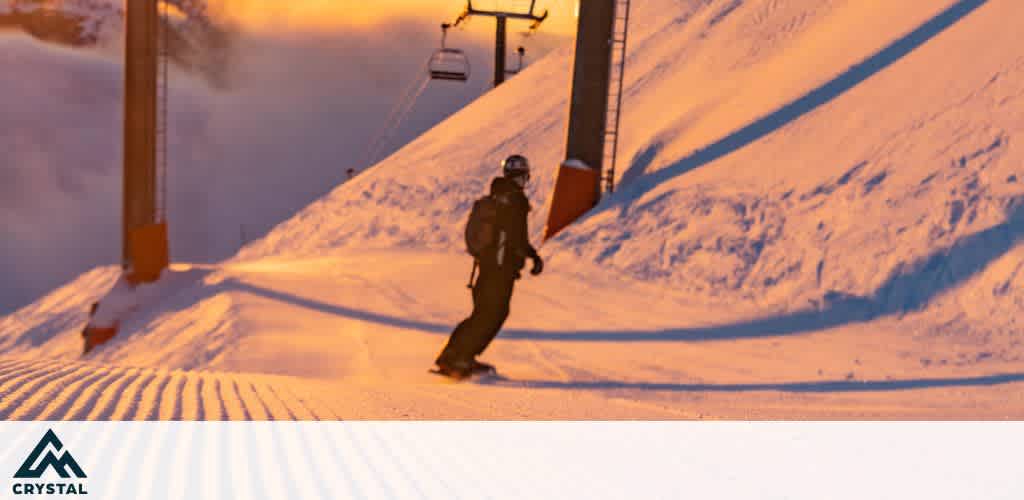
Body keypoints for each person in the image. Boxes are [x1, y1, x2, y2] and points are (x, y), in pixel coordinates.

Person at [435, 155, 544, 379]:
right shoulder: (515, 201)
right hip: (500, 270)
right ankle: (460, 357)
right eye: (525, 177)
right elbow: (517, 236)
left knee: (483, 313)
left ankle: (453, 355)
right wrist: (533, 257)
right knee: (492, 314)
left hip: (487, 266)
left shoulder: (497, 198)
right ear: (522, 177)